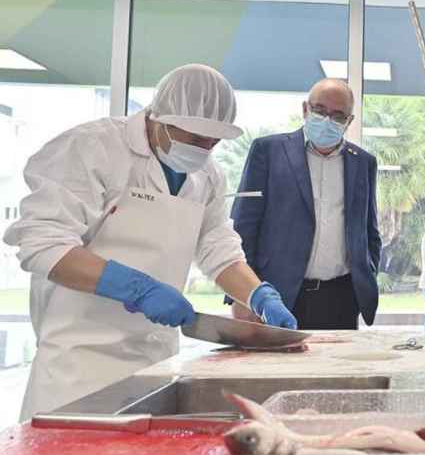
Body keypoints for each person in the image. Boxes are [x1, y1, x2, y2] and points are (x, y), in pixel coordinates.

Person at [2, 64, 296, 420]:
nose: (204, 149)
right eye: (194, 137)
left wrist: (257, 295)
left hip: (155, 359)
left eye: (213, 141)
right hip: (78, 365)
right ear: (160, 118)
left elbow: (217, 246)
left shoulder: (207, 175)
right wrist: (136, 288)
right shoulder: (93, 148)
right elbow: (43, 243)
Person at [231, 79, 381, 330]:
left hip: (341, 297)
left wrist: (367, 274)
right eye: (320, 110)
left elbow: (369, 230)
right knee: (279, 369)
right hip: (278, 296)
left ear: (349, 121)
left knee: (339, 368)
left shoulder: (363, 162)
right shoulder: (268, 151)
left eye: (337, 115)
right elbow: (244, 227)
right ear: (305, 109)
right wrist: (242, 294)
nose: (326, 120)